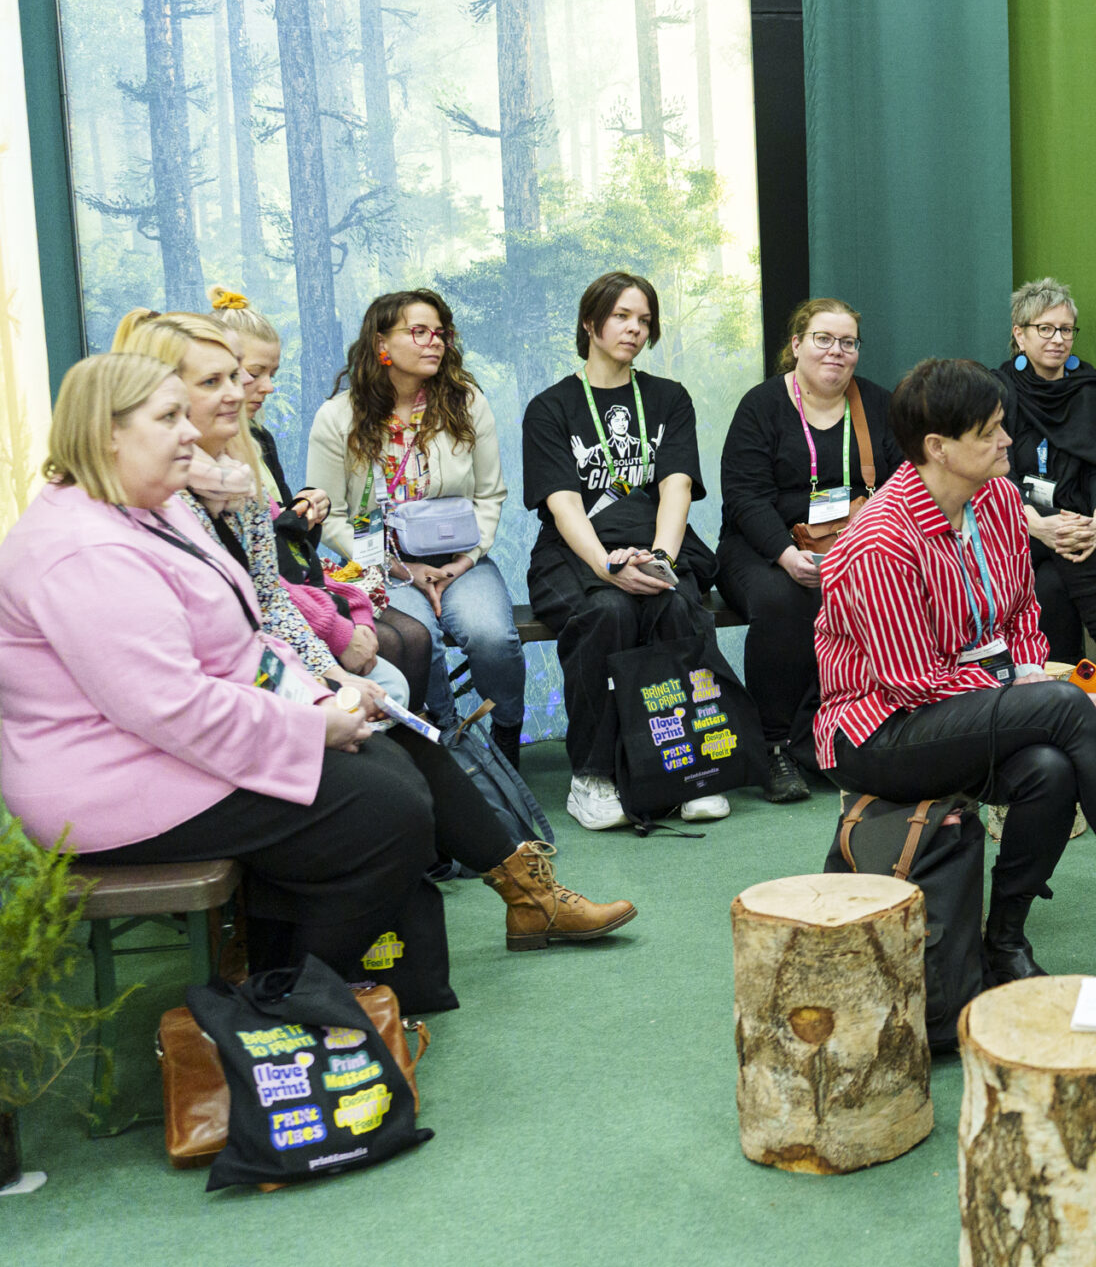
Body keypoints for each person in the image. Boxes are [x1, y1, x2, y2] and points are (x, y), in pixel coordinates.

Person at [0, 355, 632, 973]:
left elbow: (249, 631)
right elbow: (174, 707)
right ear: (108, 433)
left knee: (394, 760)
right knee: (389, 810)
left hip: (169, 749)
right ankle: (285, 994)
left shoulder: (149, 509)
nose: (193, 427)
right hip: (114, 790)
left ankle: (314, 971)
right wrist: (313, 724)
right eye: (172, 414)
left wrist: (324, 697)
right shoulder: (87, 549)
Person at [814, 358, 1096, 980]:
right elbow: (912, 680)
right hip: (879, 729)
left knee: (1051, 770)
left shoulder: (1000, 501)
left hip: (966, 705)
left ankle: (1004, 941)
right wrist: (1031, 692)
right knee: (1061, 708)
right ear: (938, 448)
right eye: (989, 431)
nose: (1008, 440)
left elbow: (1021, 616)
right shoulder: (881, 541)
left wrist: (1031, 676)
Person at [111, 310, 408, 710]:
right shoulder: (153, 502)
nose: (242, 392)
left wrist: (328, 681)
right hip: (219, 697)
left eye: (236, 377)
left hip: (255, 671)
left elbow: (266, 601)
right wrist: (317, 706)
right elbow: (195, 674)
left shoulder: (239, 474)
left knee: (388, 693)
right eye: (214, 381)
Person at [522, 271, 723, 830]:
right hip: (575, 551)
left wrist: (660, 560)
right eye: (621, 316)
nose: (635, 329)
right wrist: (607, 566)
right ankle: (592, 776)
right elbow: (564, 504)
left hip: (656, 540)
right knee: (607, 611)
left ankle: (691, 770)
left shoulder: (668, 398)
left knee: (674, 605)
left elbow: (677, 487)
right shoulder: (550, 407)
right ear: (591, 322)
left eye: (644, 320)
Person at [305, 290, 526, 764]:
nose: (435, 342)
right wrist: (399, 568)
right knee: (420, 639)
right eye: (418, 332)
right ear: (381, 342)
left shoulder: (466, 404)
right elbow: (331, 516)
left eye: (440, 333)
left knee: (492, 637)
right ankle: (446, 741)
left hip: (459, 561)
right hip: (381, 567)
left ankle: (508, 732)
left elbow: (490, 495)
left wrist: (464, 561)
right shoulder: (338, 417)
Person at [206, 289, 438, 709]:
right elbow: (264, 580)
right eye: (254, 373)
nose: (268, 387)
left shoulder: (257, 440)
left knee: (415, 639)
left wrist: (304, 511)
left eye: (440, 333)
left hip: (305, 589)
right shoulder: (208, 476)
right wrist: (342, 634)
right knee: (401, 647)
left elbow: (283, 545)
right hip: (282, 618)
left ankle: (427, 735)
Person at [718, 296, 900, 799]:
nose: (836, 351)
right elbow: (744, 496)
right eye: (823, 339)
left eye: (848, 342)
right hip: (761, 546)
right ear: (796, 344)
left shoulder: (879, 405)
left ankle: (840, 732)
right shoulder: (762, 406)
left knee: (885, 588)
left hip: (854, 546)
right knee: (781, 599)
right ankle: (777, 745)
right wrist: (786, 555)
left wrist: (863, 550)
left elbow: (903, 485)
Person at [994, 277, 1096, 667]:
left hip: (1083, 530)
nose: (1058, 339)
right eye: (1046, 329)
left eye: (1066, 329)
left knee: (1052, 585)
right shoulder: (997, 392)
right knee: (1067, 543)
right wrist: (1037, 525)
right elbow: (994, 476)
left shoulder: (1095, 392)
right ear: (1020, 335)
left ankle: (1065, 681)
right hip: (1014, 527)